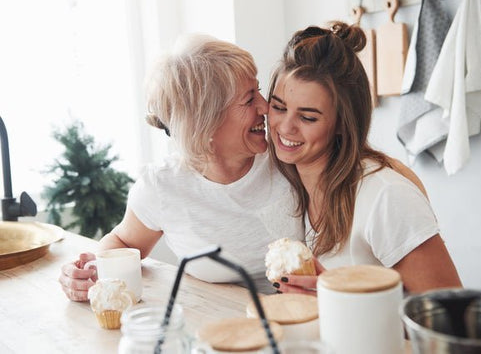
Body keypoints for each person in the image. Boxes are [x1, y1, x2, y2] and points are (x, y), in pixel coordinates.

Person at [58, 34, 304, 301]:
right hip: (216, 328)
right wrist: (90, 272)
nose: (265, 107)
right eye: (248, 99)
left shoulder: (290, 160)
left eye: (258, 90)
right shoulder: (162, 186)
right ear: (205, 123)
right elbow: (124, 243)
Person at [267, 22, 462, 295]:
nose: (285, 127)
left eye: (308, 117)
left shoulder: (387, 197)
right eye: (278, 107)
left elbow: (447, 319)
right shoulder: (289, 185)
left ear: (341, 123)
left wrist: (338, 298)